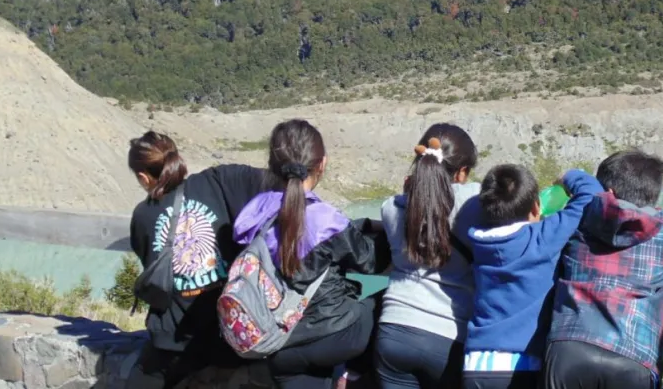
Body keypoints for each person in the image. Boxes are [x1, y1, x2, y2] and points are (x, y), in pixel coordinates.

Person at [231, 119, 391, 389]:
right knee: (385, 295)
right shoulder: (325, 219)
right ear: (322, 164)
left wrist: (359, 223)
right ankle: (351, 375)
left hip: (273, 341)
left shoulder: (254, 212)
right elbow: (370, 262)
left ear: (273, 164)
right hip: (335, 337)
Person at [544, 150, 663, 389]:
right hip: (633, 356)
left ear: (606, 192)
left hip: (569, 346)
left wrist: (564, 178)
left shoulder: (582, 212)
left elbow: (575, 178)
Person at [126, 131, 266, 389]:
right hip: (228, 336)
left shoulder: (144, 215)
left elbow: (149, 262)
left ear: (144, 177)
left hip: (174, 343)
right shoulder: (219, 181)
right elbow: (272, 182)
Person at [462, 165, 603, 389]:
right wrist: (567, 176)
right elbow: (592, 194)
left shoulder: (478, 240)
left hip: (476, 364)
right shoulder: (542, 237)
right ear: (536, 207)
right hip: (524, 364)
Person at [375, 123, 481, 389]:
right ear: (462, 172)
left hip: (393, 330)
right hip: (449, 339)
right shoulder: (474, 202)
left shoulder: (390, 208)